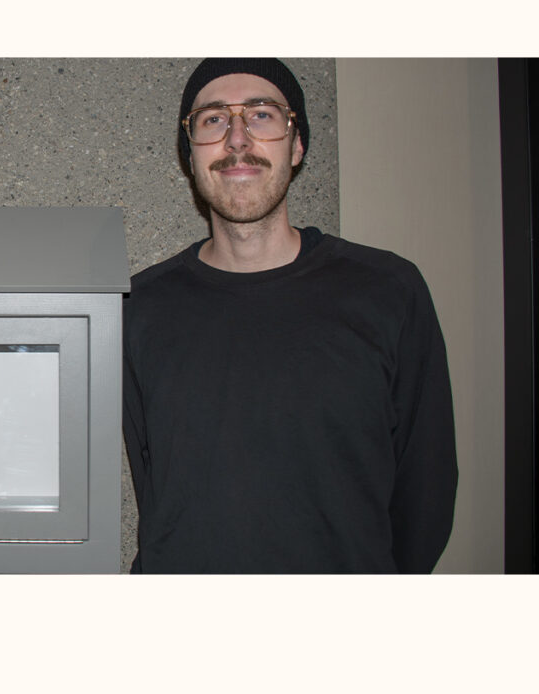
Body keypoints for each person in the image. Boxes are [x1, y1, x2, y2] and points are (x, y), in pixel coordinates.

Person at [122, 58, 458, 573]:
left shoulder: (389, 290)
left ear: (296, 145)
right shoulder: (137, 307)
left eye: (262, 115)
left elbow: (426, 488)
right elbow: (152, 486)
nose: (237, 138)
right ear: (189, 153)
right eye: (213, 120)